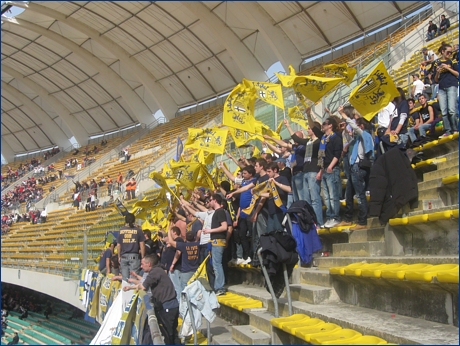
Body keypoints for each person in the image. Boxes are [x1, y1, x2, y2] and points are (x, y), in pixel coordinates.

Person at [337, 106, 374, 230]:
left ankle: (362, 221)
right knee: (349, 194)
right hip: (354, 167)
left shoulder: (366, 135)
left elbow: (355, 128)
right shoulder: (357, 137)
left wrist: (344, 115)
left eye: (358, 124)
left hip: (359, 167)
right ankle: (348, 218)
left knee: (360, 195)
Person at [138, 255, 180, 345]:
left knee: (168, 334)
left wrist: (133, 287)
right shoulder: (158, 270)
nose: (140, 266)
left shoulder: (155, 272)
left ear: (149, 264)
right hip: (172, 306)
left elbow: (144, 287)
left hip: (168, 307)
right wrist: (130, 287)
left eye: (142, 264)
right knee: (173, 333)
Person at [319, 117, 343, 228]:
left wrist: (330, 166)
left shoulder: (335, 137)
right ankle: (329, 217)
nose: (322, 125)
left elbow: (337, 154)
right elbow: (322, 156)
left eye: (325, 123)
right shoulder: (323, 139)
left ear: (330, 126)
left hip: (331, 169)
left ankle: (335, 217)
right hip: (324, 169)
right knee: (326, 197)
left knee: (333, 195)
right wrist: (321, 170)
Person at [202, 194, 228, 295]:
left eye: (211, 199)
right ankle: (219, 286)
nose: (209, 202)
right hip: (215, 241)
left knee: (217, 265)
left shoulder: (220, 211)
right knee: (216, 265)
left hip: (218, 241)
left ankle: (220, 287)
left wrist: (209, 231)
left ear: (215, 200)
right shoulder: (216, 212)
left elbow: (224, 226)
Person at [433, 42, 458, 138]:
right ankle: (448, 130)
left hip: (451, 85)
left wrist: (448, 68)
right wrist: (437, 73)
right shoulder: (437, 63)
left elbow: (457, 74)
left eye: (451, 52)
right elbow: (436, 80)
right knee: (444, 111)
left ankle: (455, 128)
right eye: (448, 52)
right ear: (443, 52)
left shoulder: (453, 62)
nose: (449, 54)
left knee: (451, 109)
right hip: (442, 87)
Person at [168, 226, 200, 292]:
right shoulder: (198, 245)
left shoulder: (183, 246)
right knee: (195, 290)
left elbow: (171, 241)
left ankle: (185, 302)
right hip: (196, 270)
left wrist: (169, 230)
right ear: (194, 237)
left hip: (186, 271)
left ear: (186, 238)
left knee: (185, 290)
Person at [117, 213, 145, 282]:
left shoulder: (121, 231)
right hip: (134, 256)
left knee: (124, 279)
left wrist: (119, 256)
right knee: (134, 279)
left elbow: (118, 245)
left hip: (123, 256)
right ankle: (133, 292)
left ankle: (125, 291)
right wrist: (143, 257)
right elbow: (142, 245)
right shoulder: (138, 230)